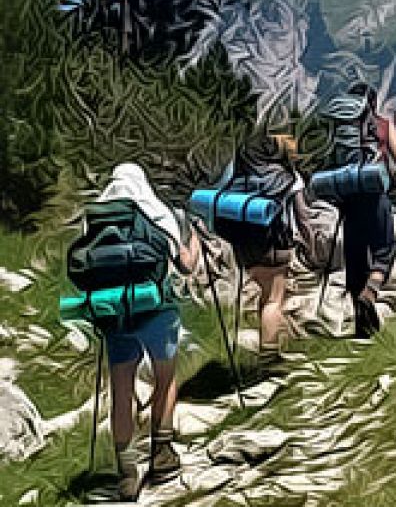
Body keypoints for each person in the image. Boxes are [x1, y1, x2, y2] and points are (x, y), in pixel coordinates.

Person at [91, 163, 200, 501]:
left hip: (115, 313)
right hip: (157, 308)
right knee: (165, 377)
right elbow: (186, 264)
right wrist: (193, 239)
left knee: (121, 387)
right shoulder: (157, 212)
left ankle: (126, 472)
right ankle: (162, 455)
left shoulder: (95, 217)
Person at [214, 126, 314, 377]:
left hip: (246, 250)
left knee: (264, 296)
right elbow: (303, 216)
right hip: (275, 246)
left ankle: (266, 348)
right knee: (274, 300)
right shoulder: (287, 177)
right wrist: (312, 244)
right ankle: (269, 358)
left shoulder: (237, 175)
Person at [325, 82, 396, 339]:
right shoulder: (384, 125)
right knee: (384, 251)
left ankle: (362, 327)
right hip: (376, 196)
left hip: (349, 198)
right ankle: (370, 293)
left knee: (355, 258)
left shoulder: (340, 129)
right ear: (372, 103)